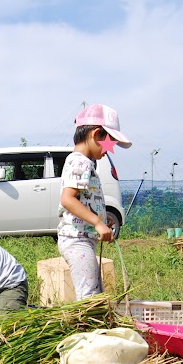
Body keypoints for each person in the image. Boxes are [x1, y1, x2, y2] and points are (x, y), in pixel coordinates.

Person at [58, 103, 131, 299]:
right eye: (110, 142)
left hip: (83, 239)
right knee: (89, 297)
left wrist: (98, 219)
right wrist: (98, 222)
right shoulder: (80, 161)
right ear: (96, 134)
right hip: (76, 239)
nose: (109, 150)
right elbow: (67, 199)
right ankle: (86, 328)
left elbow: (84, 199)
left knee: (96, 294)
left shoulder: (85, 162)